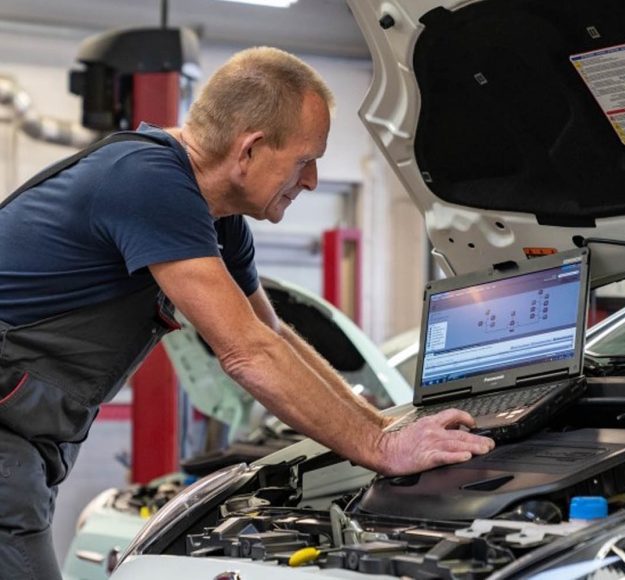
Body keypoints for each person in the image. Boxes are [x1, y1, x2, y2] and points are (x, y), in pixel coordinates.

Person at [0, 47, 494, 579]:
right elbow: (246, 353)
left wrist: (382, 424)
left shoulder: (218, 218)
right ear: (251, 149)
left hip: (28, 438)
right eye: (306, 159)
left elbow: (268, 333)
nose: (310, 181)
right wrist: (380, 448)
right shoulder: (145, 179)